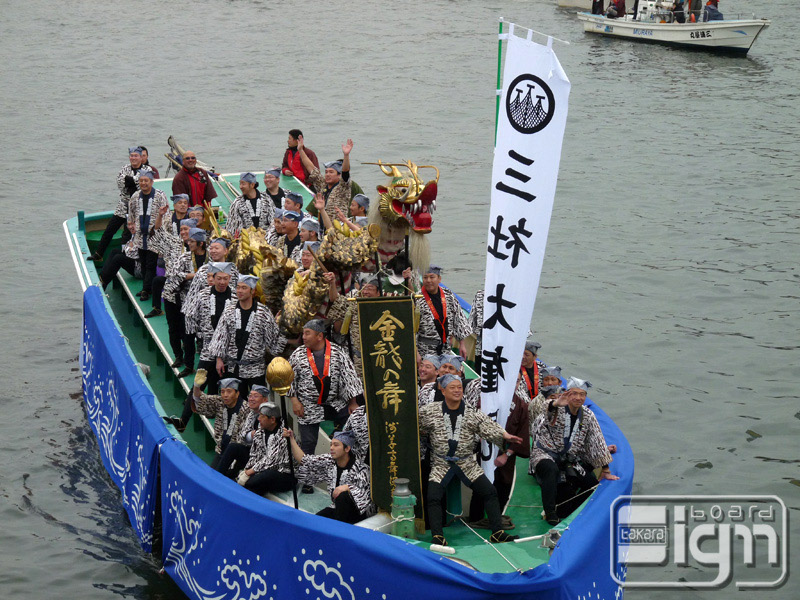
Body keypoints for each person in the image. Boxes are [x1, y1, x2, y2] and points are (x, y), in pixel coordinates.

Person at [419, 374, 522, 545]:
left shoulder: (471, 411)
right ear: (442, 390)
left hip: (466, 462)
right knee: (433, 497)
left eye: (459, 387)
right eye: (452, 387)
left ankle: (497, 532)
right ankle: (438, 536)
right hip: (441, 463)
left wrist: (505, 435)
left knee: (489, 492)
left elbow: (487, 425)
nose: (457, 390)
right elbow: (415, 425)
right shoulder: (430, 410)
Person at [529, 377, 619, 525]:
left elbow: (597, 439)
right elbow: (545, 410)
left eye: (582, 394)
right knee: (550, 469)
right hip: (545, 453)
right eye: (574, 393)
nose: (578, 397)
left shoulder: (588, 415)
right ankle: (550, 512)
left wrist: (606, 469)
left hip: (568, 458)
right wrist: (555, 403)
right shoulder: (556, 406)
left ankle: (573, 510)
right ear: (567, 394)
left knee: (591, 485)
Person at [288, 319, 363, 491]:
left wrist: (353, 402)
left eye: (307, 333)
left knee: (347, 438)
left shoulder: (337, 352)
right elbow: (289, 379)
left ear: (319, 336)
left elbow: (349, 377)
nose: (303, 337)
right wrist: (294, 400)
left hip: (335, 403)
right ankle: (307, 481)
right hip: (308, 405)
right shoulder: (298, 354)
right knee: (308, 443)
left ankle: (348, 476)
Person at [468, 371, 530, 528]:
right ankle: (476, 517)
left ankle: (496, 518)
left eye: (517, 382)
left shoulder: (521, 405)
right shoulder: (487, 400)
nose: (513, 384)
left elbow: (521, 435)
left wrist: (507, 455)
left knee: (503, 484)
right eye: (511, 381)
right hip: (485, 450)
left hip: (506, 453)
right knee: (481, 482)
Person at [207, 274, 287, 393]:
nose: (239, 291)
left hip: (256, 369)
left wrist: (290, 341)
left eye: (244, 288)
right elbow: (221, 335)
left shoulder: (263, 312)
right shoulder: (229, 310)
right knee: (234, 404)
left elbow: (273, 339)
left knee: (257, 402)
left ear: (253, 291)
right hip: (233, 367)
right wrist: (219, 359)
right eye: (238, 287)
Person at [150, 228, 208, 375]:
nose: (189, 243)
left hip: (197, 300)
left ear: (201, 243)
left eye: (192, 241)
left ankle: (193, 363)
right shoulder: (184, 258)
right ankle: (178, 357)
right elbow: (171, 274)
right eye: (189, 241)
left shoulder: (210, 260)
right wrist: (193, 275)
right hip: (174, 296)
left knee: (191, 331)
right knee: (174, 328)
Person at [284, 429, 375, 523]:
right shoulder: (329, 461)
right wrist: (291, 439)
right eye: (331, 444)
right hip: (337, 508)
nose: (331, 448)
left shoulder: (362, 468)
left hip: (358, 513)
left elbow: (365, 498)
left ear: (347, 449)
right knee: (314, 522)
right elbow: (305, 461)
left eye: (336, 445)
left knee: (343, 496)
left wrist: (347, 487)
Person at [89, 146, 153, 261]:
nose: (133, 158)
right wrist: (134, 181)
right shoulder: (124, 168)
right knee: (110, 229)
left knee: (130, 233)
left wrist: (130, 181)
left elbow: (141, 185)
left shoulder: (146, 169)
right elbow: (120, 182)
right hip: (123, 205)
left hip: (139, 206)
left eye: (136, 156)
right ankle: (99, 254)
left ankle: (128, 257)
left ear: (140, 157)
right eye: (131, 156)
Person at [125, 170, 169, 300]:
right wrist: (131, 223)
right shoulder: (135, 196)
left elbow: (166, 214)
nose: (143, 183)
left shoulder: (160, 196)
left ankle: (145, 289)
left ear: (151, 182)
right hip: (140, 236)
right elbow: (131, 211)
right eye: (141, 181)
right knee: (143, 263)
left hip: (154, 237)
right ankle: (147, 287)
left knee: (150, 263)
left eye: (146, 181)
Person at [240, 402, 296, 496]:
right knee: (234, 448)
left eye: (262, 416)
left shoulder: (284, 434)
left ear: (272, 419)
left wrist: (248, 473)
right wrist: (246, 470)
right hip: (264, 469)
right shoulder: (260, 432)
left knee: (260, 479)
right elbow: (254, 455)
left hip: (285, 474)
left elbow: (271, 461)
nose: (259, 419)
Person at [415, 265, 471, 358]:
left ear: (439, 279)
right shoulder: (417, 298)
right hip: (425, 349)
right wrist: (416, 353)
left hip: (446, 348)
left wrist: (462, 344)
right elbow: (412, 329)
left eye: (432, 277)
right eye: (425, 277)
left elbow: (458, 319)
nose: (428, 280)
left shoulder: (448, 295)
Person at [189, 374, 245, 467]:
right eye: (222, 392)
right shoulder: (219, 402)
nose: (225, 395)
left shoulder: (246, 409)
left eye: (229, 391)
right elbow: (199, 399)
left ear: (237, 393)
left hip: (238, 455)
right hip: (221, 450)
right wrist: (196, 386)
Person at [217, 384, 271, 476]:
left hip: (263, 457)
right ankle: (219, 477)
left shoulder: (269, 415)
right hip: (250, 452)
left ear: (265, 399)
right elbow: (242, 436)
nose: (251, 399)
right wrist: (251, 435)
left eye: (255, 396)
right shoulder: (252, 414)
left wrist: (250, 436)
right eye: (250, 396)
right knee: (233, 447)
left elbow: (262, 443)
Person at [302, 139, 354, 220]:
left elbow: (345, 172)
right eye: (326, 172)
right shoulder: (323, 185)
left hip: (338, 227)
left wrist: (346, 155)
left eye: (331, 172)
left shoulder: (343, 187)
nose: (327, 175)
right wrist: (300, 150)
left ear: (339, 175)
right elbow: (311, 168)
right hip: (324, 227)